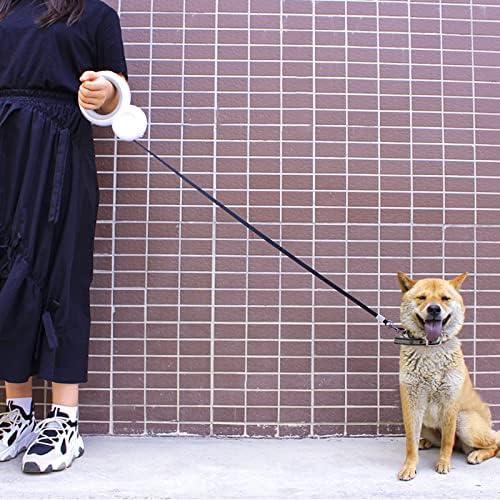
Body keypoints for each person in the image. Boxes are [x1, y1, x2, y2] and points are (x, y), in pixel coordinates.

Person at [0, 0, 128, 473]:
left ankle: (63, 422)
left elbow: (117, 98)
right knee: (6, 275)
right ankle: (16, 413)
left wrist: (105, 93)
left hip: (60, 150)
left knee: (62, 274)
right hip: (5, 151)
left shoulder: (95, 15)